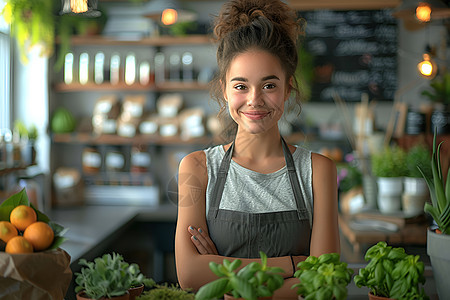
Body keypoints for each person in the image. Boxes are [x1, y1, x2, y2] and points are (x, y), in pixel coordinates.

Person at [175, 0, 340, 298]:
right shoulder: (195, 168)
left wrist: (222, 269)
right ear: (224, 89)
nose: (254, 100)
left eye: (269, 85)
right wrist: (292, 264)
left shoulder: (318, 171)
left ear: (288, 88)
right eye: (240, 86)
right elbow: (188, 274)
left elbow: (326, 280)